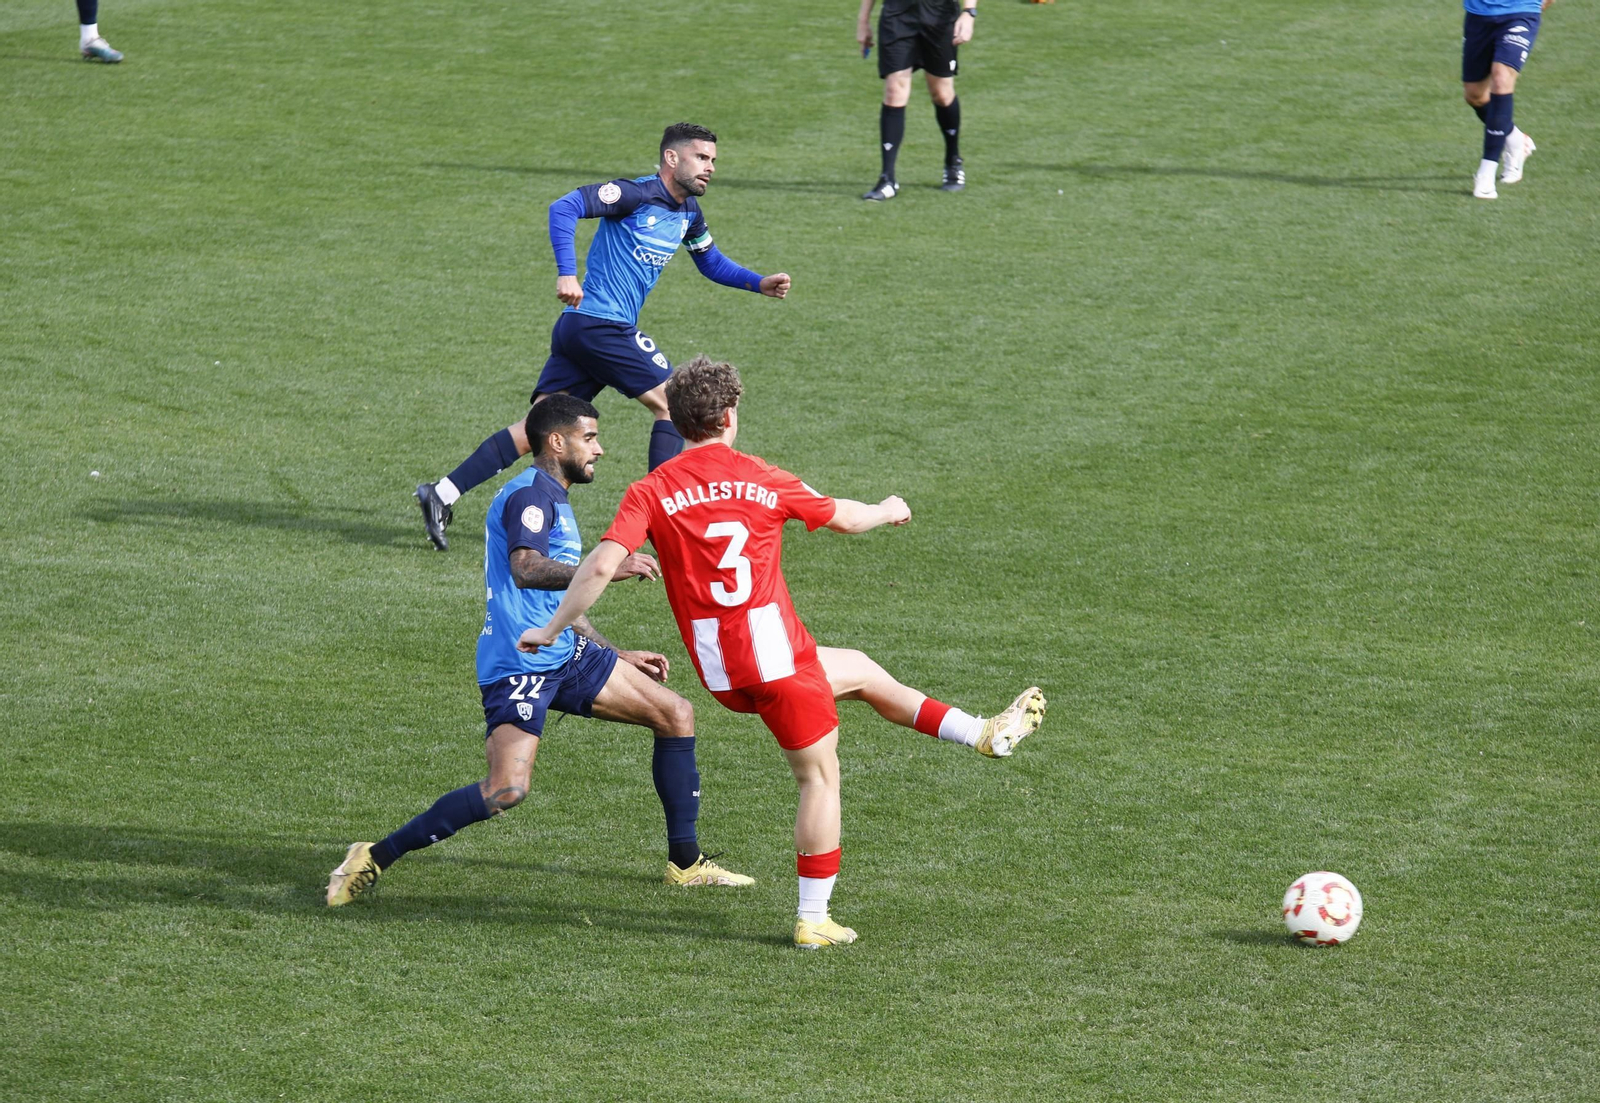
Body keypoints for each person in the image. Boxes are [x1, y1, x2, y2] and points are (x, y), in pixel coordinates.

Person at [516, 358, 1046, 948]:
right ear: (728, 416)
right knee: (820, 778)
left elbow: (601, 564)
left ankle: (981, 733)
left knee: (863, 671)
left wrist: (553, 626)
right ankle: (813, 918)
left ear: (680, 420)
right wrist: (888, 509)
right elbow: (843, 518)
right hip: (777, 662)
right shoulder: (762, 476)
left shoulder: (652, 488)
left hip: (722, 670)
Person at [327, 395, 752, 907]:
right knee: (506, 790)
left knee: (675, 713)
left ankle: (685, 864)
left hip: (564, 650)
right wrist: (605, 568)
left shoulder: (556, 497)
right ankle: (373, 856)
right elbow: (527, 569)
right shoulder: (531, 497)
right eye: (589, 438)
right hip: (520, 661)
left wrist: (615, 653)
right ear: (557, 441)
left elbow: (559, 598)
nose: (599, 449)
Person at [413, 122, 794, 551]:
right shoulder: (634, 195)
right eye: (702, 158)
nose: (710, 168)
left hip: (582, 331)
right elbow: (564, 207)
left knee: (539, 429)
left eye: (713, 161)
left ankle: (440, 493)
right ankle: (661, 518)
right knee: (671, 404)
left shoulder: (689, 214)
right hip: (600, 325)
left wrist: (756, 283)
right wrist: (566, 272)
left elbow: (711, 263)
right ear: (673, 158)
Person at [856, 0, 976, 200]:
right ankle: (887, 178)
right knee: (894, 90)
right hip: (897, 16)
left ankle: (953, 159)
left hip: (939, 16)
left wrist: (969, 12)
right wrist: (863, 20)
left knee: (941, 93)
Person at [1463, 0, 1553, 199]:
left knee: (1501, 77)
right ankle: (1516, 140)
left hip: (1521, 11)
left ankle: (1486, 174)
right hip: (1478, 14)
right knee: (1475, 95)